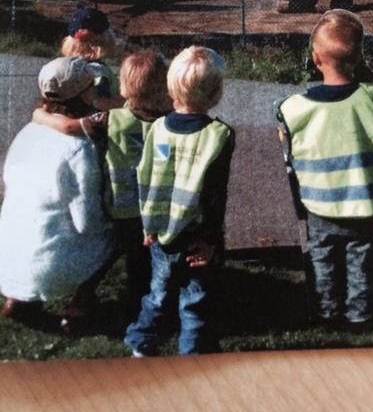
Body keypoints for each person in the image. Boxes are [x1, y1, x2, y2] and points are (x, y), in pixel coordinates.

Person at [276, 9, 373, 326]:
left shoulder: (295, 108)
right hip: (366, 201)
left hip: (321, 202)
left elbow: (287, 145)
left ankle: (326, 311)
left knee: (323, 255)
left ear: (315, 58)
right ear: (359, 57)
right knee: (362, 255)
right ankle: (360, 313)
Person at [32, 50, 172, 319]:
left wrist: (40, 116)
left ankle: (126, 303)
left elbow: (71, 127)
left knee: (127, 252)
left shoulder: (111, 119)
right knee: (154, 258)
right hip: (162, 205)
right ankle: (158, 301)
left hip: (123, 205)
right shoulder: (170, 121)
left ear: (124, 86)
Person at [125, 46, 235, 356]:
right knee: (195, 301)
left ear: (172, 88)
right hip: (196, 237)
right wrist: (211, 240)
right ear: (216, 94)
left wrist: (147, 225)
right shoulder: (219, 135)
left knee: (158, 294)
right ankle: (194, 353)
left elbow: (144, 179)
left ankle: (141, 344)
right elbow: (215, 195)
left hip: (160, 234)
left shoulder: (158, 128)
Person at [0, 57, 115, 322]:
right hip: (50, 266)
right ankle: (80, 303)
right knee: (119, 232)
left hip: (9, 260)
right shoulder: (80, 148)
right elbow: (87, 222)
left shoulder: (29, 131)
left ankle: (18, 298)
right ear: (84, 93)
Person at [61, 6, 123, 109]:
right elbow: (100, 102)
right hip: (95, 121)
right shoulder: (98, 71)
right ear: (106, 40)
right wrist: (127, 101)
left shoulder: (66, 67)